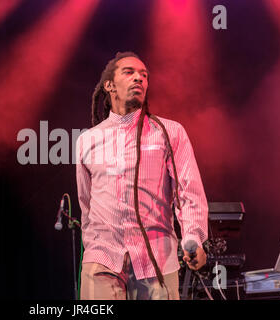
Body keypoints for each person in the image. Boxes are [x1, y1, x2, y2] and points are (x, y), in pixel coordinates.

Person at [75, 52, 208, 300]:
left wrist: (193, 237)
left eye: (144, 75)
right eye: (129, 72)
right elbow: (86, 203)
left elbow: (188, 192)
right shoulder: (87, 140)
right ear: (109, 86)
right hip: (103, 259)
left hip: (156, 259)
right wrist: (93, 245)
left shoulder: (169, 132)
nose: (139, 78)